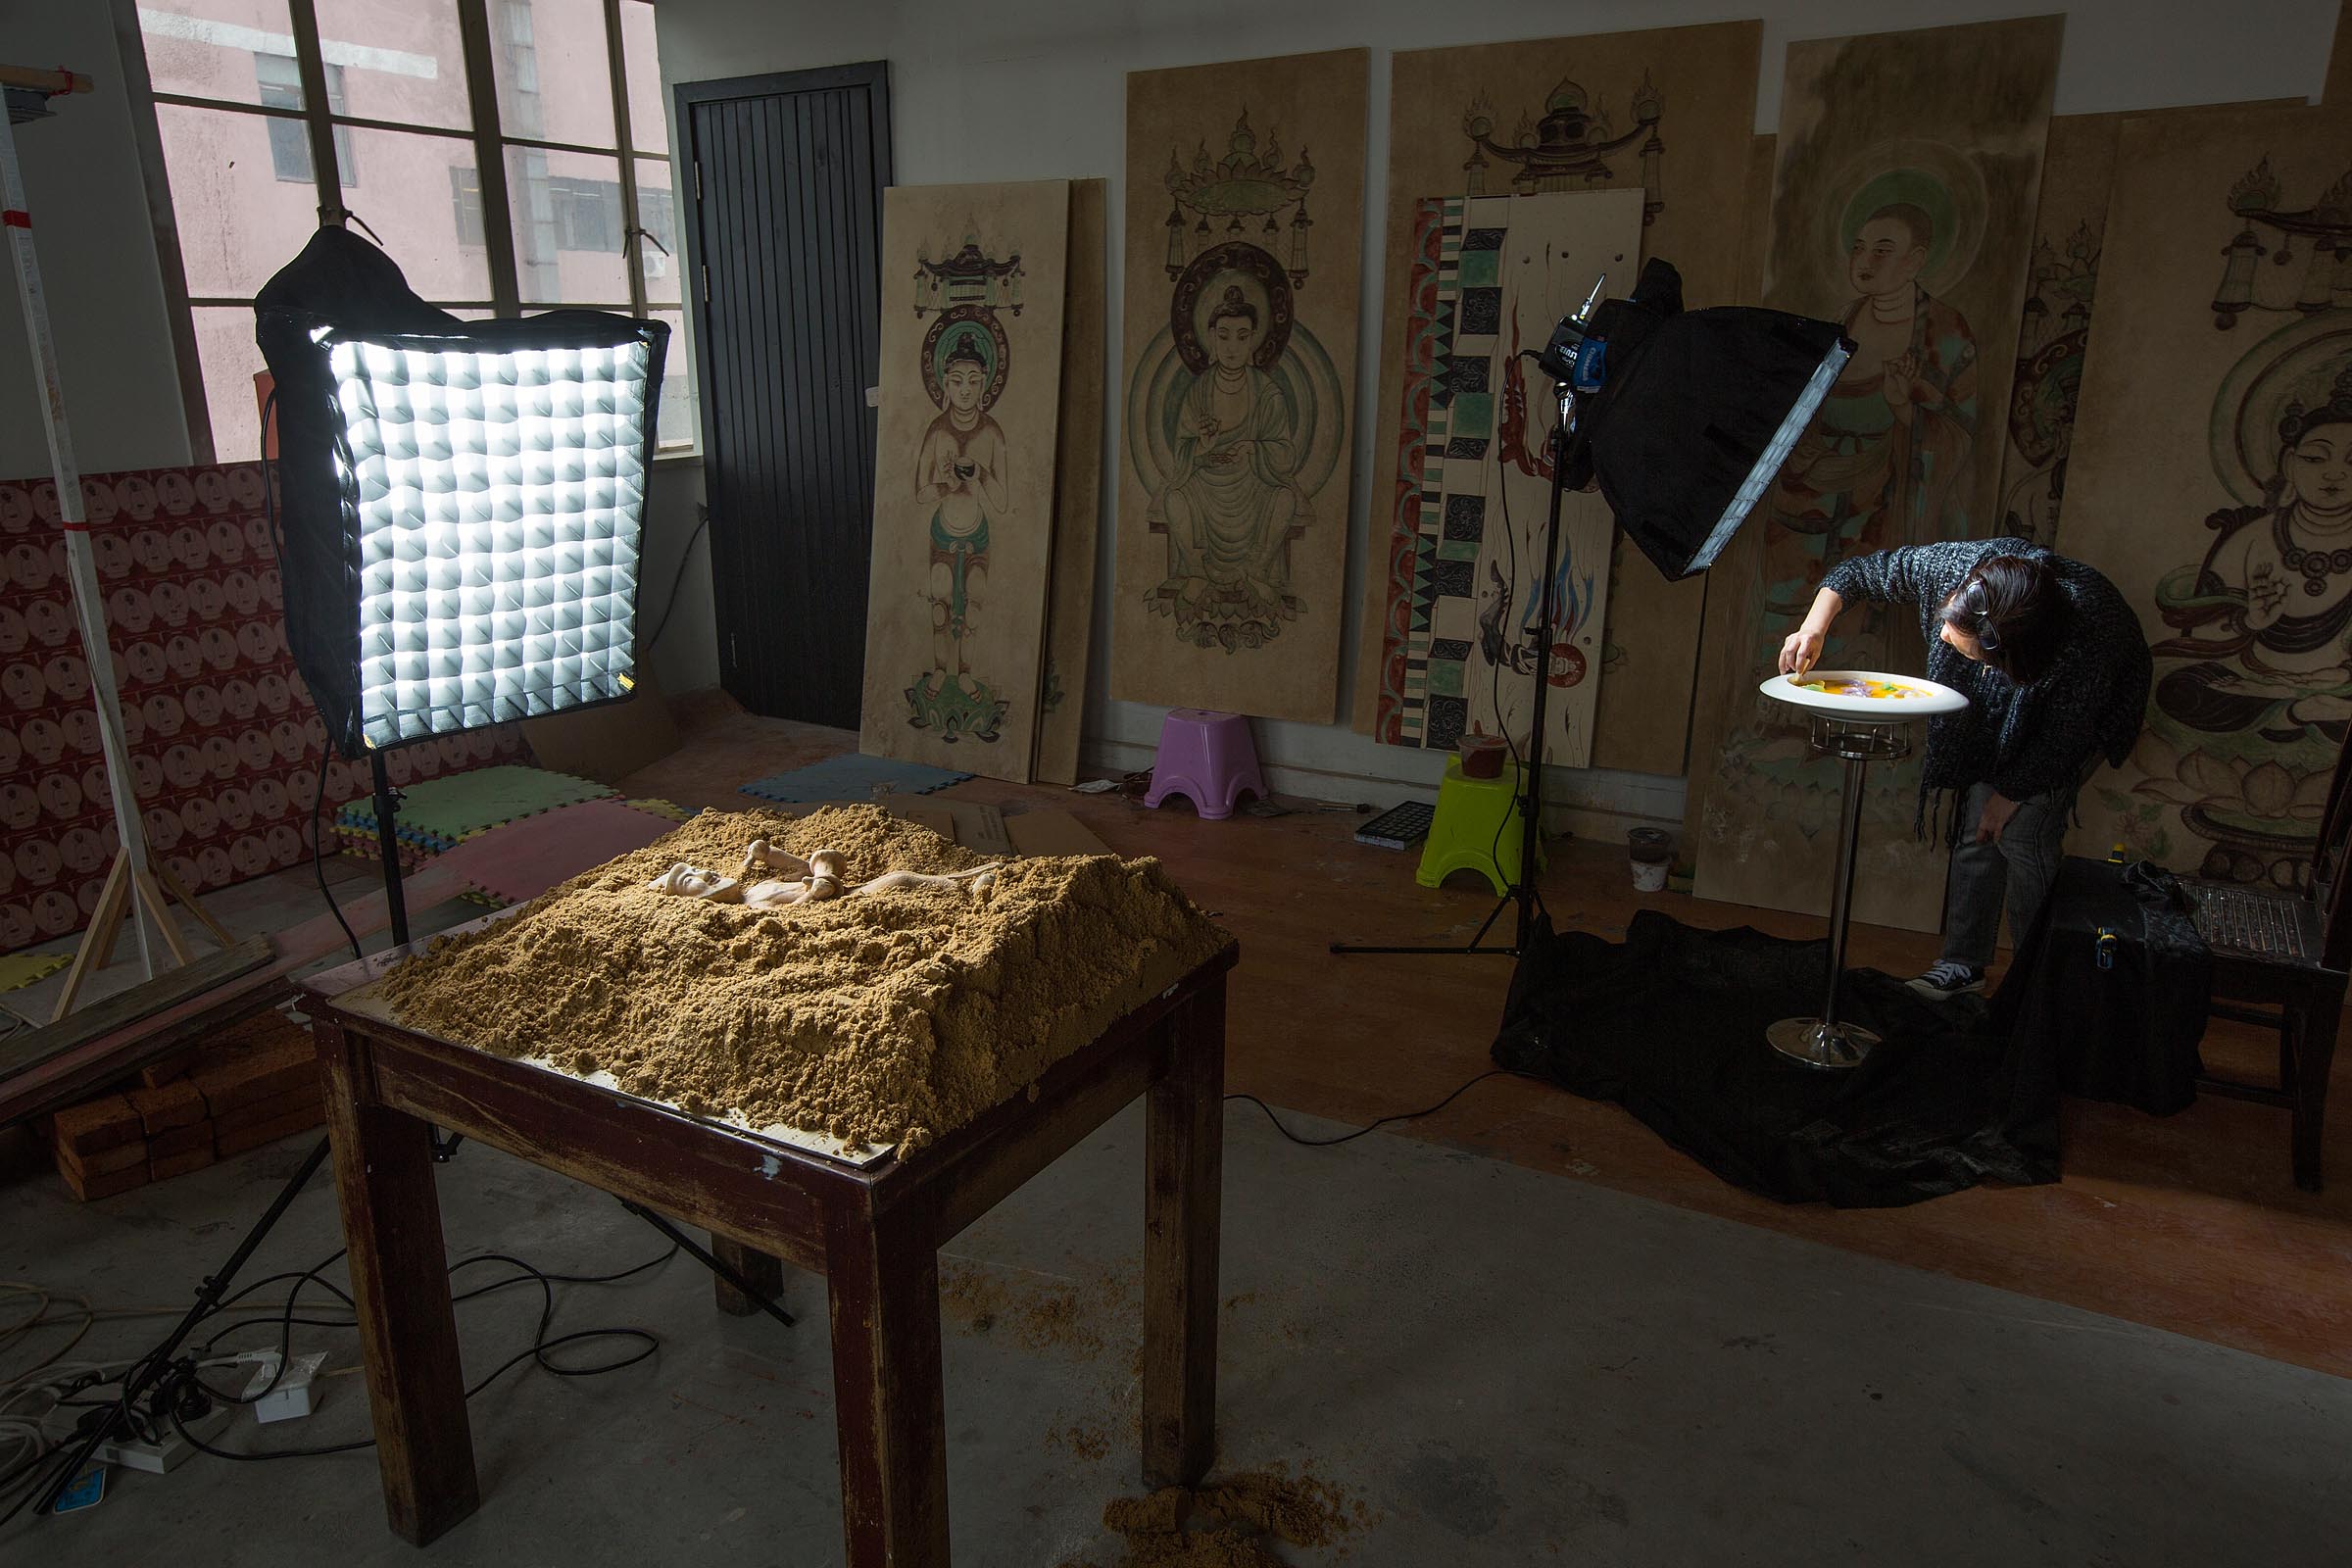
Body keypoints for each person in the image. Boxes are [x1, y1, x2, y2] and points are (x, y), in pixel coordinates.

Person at [1779, 538, 2151, 998]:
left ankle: (2038, 984)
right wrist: (1812, 630)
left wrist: (2010, 795)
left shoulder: (2088, 634)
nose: (1940, 639)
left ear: (2009, 662)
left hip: (2089, 713)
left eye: (1966, 651)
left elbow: (2063, 737)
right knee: (1976, 827)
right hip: (2010, 699)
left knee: (2020, 833)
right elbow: (1855, 573)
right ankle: (1962, 966)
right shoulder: (1951, 568)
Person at [1147, 284, 1311, 648]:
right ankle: (1196, 570)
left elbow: (1285, 454)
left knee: (1284, 498)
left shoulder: (1267, 393)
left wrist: (1255, 449)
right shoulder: (1199, 391)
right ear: (1210, 339)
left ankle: (1256, 567)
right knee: (1175, 497)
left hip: (1253, 483)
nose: (1232, 346)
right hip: (1207, 484)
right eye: (1224, 336)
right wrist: (1202, 449)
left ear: (1254, 339)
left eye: (1241, 336)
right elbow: (1181, 457)